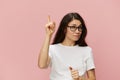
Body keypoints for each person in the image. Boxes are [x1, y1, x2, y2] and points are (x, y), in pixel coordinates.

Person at [38, 12, 96, 80]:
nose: (77, 31)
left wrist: (80, 79)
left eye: (80, 27)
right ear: (64, 29)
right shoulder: (53, 49)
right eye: (73, 27)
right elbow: (42, 65)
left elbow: (92, 78)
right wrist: (48, 35)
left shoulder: (86, 50)